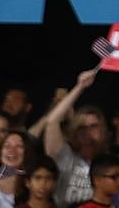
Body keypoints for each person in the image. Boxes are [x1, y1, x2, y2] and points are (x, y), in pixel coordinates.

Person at [37, 72, 108, 206]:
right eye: (82, 127)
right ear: (74, 130)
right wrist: (80, 87)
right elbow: (52, 121)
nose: (87, 131)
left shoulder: (108, 162)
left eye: (93, 126)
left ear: (102, 130)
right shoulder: (65, 155)